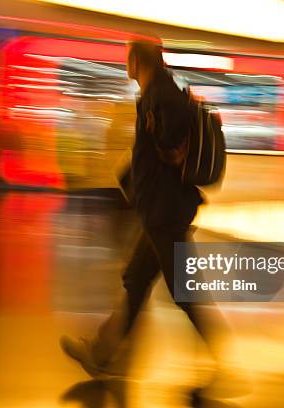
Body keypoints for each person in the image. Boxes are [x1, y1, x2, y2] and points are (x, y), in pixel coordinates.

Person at [60, 39, 233, 401]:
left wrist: (165, 150)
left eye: (128, 59)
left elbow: (170, 135)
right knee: (136, 280)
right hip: (160, 210)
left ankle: (221, 362)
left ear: (137, 61)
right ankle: (101, 353)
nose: (127, 66)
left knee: (183, 292)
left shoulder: (160, 93)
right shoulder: (160, 92)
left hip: (165, 211)